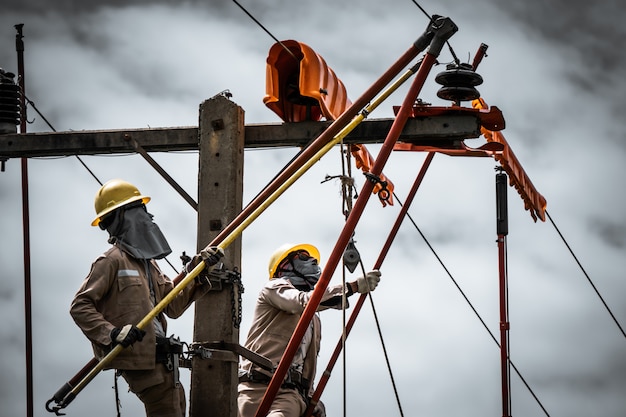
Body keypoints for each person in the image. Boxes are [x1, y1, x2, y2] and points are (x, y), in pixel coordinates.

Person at [70, 179, 223, 417]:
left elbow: (171, 305)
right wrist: (111, 333)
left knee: (177, 407)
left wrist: (197, 271)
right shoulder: (111, 261)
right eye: (139, 210)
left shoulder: (148, 264)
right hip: (142, 360)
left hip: (161, 359)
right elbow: (80, 306)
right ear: (122, 216)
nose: (147, 216)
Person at [237, 243, 381, 417]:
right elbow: (300, 302)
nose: (313, 261)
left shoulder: (313, 320)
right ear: (284, 265)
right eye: (304, 257)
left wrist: (311, 399)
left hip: (288, 395)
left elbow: (306, 363)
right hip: (253, 388)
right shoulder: (274, 288)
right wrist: (351, 287)